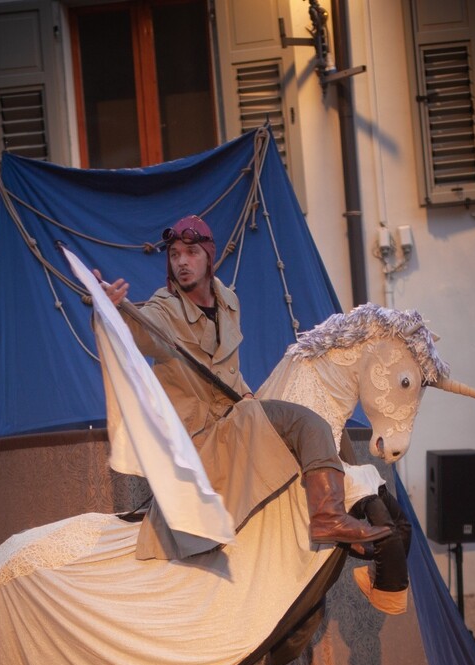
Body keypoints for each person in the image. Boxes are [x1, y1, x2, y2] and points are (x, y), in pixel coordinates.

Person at [97, 214, 394, 560]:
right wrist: (112, 312)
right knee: (309, 423)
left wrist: (247, 394)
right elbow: (139, 329)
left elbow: (226, 369)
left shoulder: (227, 301)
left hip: (234, 417)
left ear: (209, 256)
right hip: (202, 440)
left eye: (191, 252)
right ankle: (328, 517)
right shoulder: (165, 309)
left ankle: (350, 513)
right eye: (175, 254)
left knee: (329, 428)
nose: (181, 262)